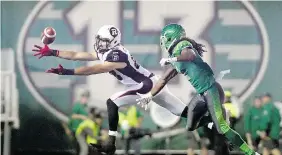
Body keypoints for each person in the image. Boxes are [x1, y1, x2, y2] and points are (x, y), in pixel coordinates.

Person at [32, 25, 215, 154]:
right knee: (183, 112)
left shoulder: (117, 55)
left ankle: (110, 143)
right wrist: (54, 52)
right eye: (100, 39)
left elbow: (95, 69)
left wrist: (67, 72)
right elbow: (79, 55)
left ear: (112, 42)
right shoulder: (110, 49)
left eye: (104, 40)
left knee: (112, 102)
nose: (100, 43)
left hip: (145, 86)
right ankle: (213, 123)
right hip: (152, 82)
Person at [136, 23, 259, 155]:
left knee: (222, 127)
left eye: (165, 38)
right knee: (190, 125)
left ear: (171, 37)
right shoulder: (175, 57)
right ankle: (213, 119)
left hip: (211, 90)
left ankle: (251, 153)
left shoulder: (182, 45)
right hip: (202, 94)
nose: (163, 42)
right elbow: (163, 80)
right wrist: (150, 95)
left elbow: (189, 56)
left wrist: (171, 58)